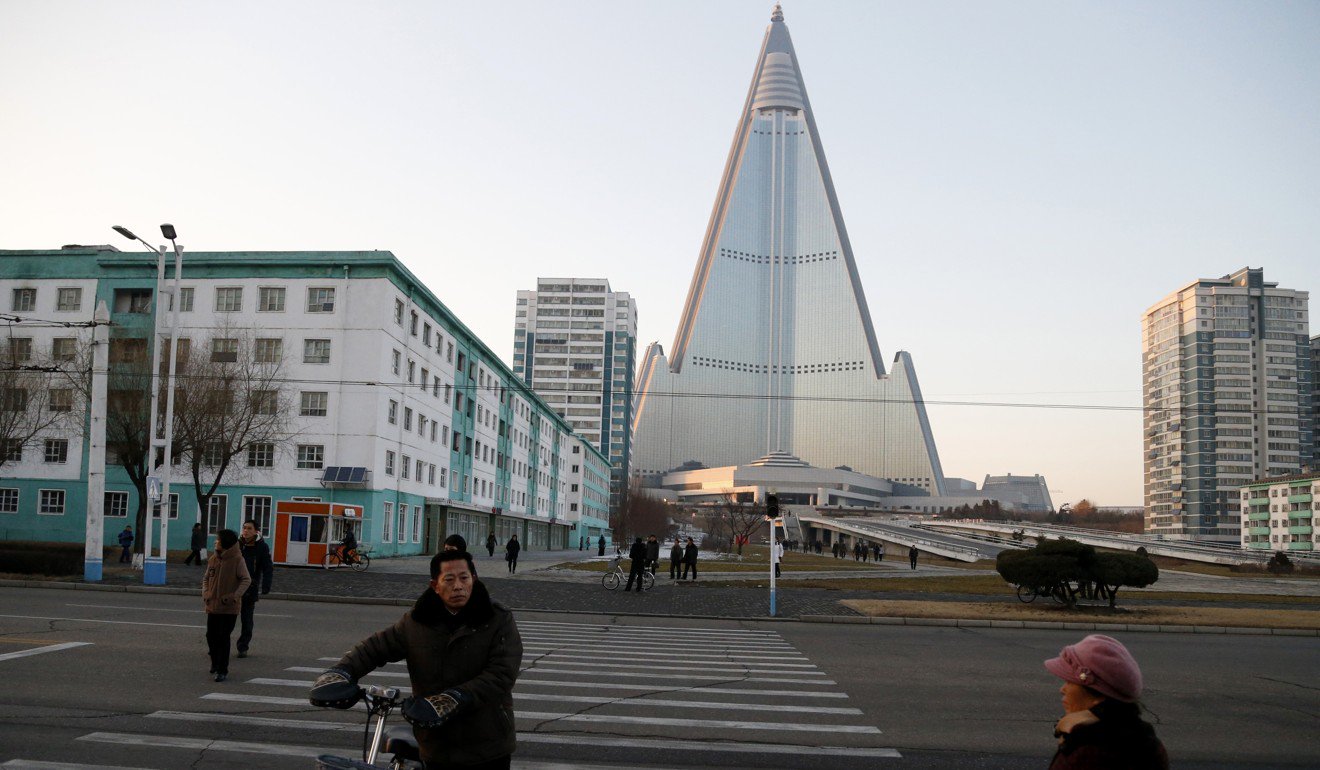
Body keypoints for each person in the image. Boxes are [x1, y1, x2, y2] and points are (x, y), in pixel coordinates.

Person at [311, 550, 523, 769]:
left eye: (464, 578)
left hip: (487, 744)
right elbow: (375, 648)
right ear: (435, 586)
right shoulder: (418, 622)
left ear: (474, 579)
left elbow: (501, 674)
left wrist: (453, 698)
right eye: (449, 580)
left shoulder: (497, 619)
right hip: (436, 745)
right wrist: (342, 671)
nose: (458, 586)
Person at [1044, 634, 1168, 769]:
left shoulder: (1088, 753)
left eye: (1070, 682)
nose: (1063, 689)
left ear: (1099, 697)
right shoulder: (1146, 740)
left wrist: (1071, 742)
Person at [202, 528, 251, 682]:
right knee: (211, 635)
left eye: (218, 539)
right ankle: (215, 662)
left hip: (229, 607)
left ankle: (222, 670)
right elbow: (205, 578)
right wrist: (206, 593)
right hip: (213, 605)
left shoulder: (237, 559)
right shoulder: (213, 559)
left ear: (225, 543)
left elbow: (246, 579)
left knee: (223, 637)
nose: (216, 541)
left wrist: (234, 596)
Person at [236, 519, 273, 659]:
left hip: (250, 588)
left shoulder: (261, 547)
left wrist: (266, 585)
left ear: (256, 531)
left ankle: (243, 647)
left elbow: (267, 567)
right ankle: (220, 646)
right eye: (244, 528)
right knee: (227, 619)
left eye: (249, 528)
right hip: (234, 586)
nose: (245, 531)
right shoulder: (237, 545)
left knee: (247, 620)